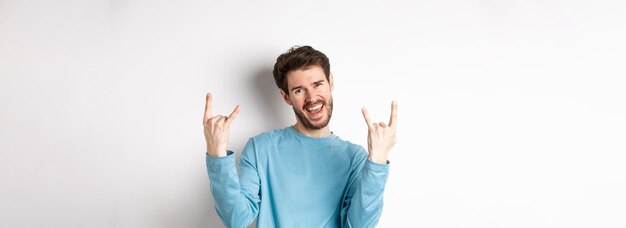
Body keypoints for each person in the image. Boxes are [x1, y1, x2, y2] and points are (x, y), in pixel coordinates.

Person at [203, 45, 398, 228]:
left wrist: (378, 161)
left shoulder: (354, 157)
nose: (311, 97)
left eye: (317, 84)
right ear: (286, 96)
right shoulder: (260, 148)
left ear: (330, 82)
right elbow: (236, 218)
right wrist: (217, 154)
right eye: (299, 90)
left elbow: (359, 225)